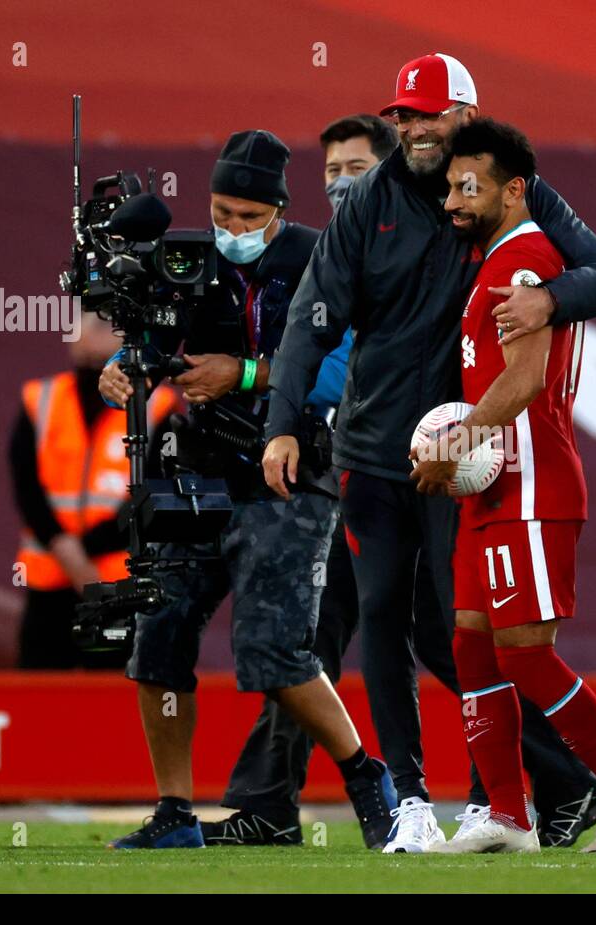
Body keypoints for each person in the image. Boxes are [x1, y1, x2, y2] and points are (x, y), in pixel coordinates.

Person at [262, 53, 596, 853]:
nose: (415, 129)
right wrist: (283, 421)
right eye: (403, 115)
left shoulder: (504, 188)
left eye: (429, 114)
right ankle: (416, 801)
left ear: (467, 112)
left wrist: (549, 297)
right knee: (387, 619)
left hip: (465, 459)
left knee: (457, 634)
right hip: (374, 447)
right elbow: (313, 315)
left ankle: (528, 792)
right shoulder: (368, 203)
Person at [97, 130, 393, 850]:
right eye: (221, 211)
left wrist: (247, 373)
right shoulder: (183, 258)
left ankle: (366, 775)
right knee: (158, 631)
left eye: (246, 216)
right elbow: (151, 335)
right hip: (198, 468)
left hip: (289, 468)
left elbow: (347, 370)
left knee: (273, 648)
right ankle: (174, 811)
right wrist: (120, 369)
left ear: (279, 211)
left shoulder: (322, 258)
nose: (229, 229)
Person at [409, 118, 596, 853]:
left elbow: (525, 382)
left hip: (528, 483)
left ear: (514, 189)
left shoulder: (525, 262)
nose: (454, 198)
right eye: (451, 185)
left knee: (524, 649)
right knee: (470, 644)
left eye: (471, 186)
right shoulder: (495, 256)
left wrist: (453, 441)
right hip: (488, 486)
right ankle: (506, 813)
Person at [200, 114, 399, 847]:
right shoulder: (338, 256)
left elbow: (341, 366)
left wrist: (251, 377)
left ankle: (545, 786)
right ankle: (270, 803)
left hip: (390, 474)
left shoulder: (414, 244)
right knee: (300, 640)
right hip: (323, 474)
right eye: (331, 171)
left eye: (356, 167)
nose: (340, 182)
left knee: (442, 639)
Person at [9, 310, 176, 669]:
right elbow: (25, 485)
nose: (93, 335)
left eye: (106, 326)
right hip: (50, 579)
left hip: (117, 581)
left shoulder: (155, 407)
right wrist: (64, 549)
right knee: (38, 694)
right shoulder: (41, 400)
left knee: (114, 697)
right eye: (87, 325)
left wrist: (85, 551)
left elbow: (154, 493)